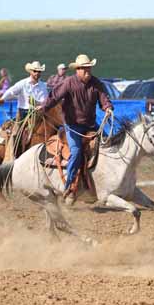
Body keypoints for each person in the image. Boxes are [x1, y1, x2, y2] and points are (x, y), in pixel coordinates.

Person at [39, 54, 113, 204]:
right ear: (77, 70)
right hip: (73, 126)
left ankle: (105, 182)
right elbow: (54, 96)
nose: (87, 71)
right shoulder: (68, 83)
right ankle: (69, 186)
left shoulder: (96, 83)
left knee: (109, 145)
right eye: (84, 69)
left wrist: (108, 108)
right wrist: (44, 106)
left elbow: (104, 98)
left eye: (89, 68)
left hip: (91, 125)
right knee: (77, 152)